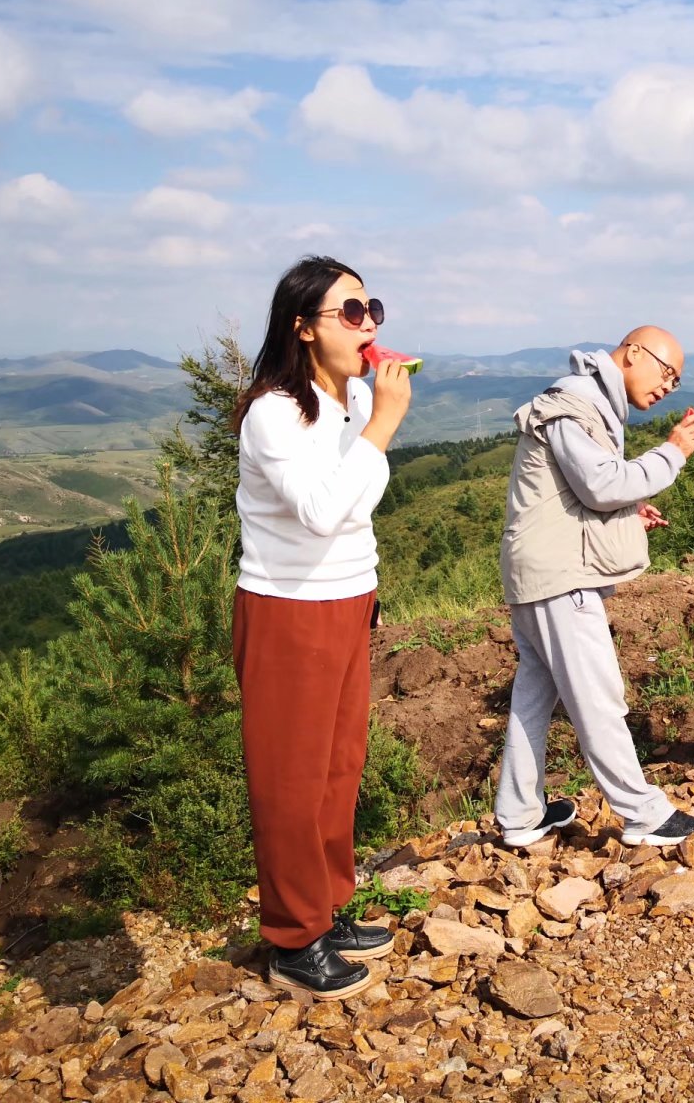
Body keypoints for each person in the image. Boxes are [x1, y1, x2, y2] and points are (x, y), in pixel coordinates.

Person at [233, 255, 412, 1000]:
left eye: (372, 309)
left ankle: (326, 905)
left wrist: (373, 415)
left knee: (338, 768)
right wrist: (385, 426)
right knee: (290, 780)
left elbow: (355, 512)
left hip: (346, 601)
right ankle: (292, 938)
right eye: (349, 311)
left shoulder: (356, 395)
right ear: (304, 328)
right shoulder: (276, 411)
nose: (367, 323)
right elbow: (319, 510)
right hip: (287, 610)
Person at [496, 327, 694, 849]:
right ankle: (643, 814)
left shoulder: (586, 402)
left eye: (677, 380)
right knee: (598, 695)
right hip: (560, 578)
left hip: (541, 572)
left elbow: (575, 496)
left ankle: (521, 813)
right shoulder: (575, 405)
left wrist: (628, 515)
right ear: (633, 353)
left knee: (534, 695)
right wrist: (673, 451)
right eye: (667, 373)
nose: (670, 386)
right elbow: (601, 486)